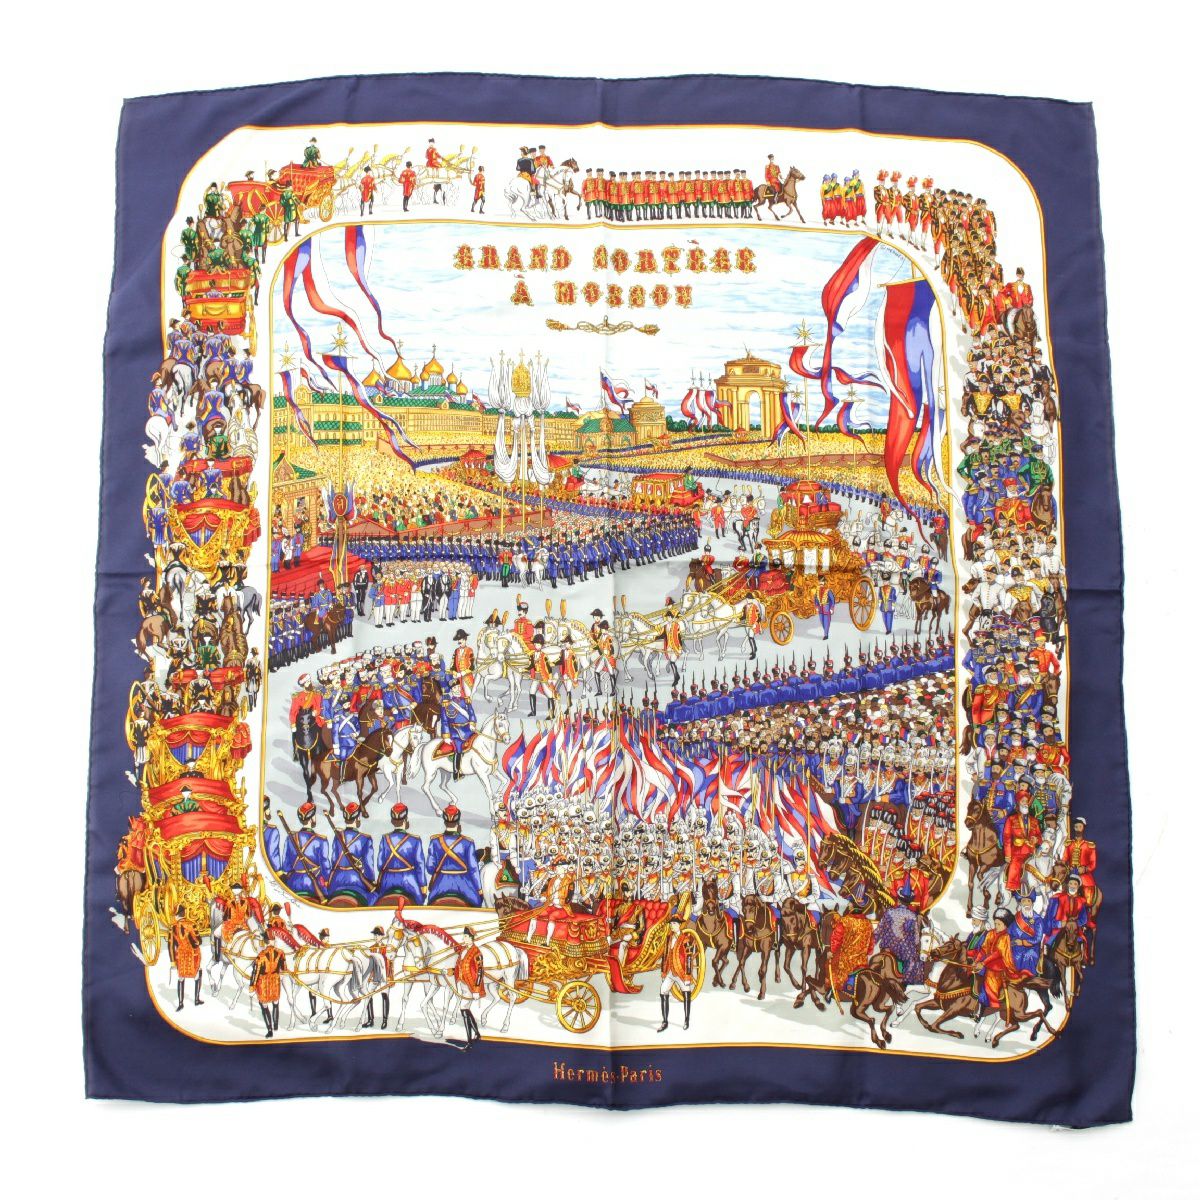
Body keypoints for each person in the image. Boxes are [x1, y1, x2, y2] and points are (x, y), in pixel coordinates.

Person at [657, 908, 697, 1032]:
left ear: (679, 925)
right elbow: (665, 955)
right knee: (663, 990)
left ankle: (686, 1020)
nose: (672, 925)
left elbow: (689, 957)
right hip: (670, 971)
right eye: (671, 923)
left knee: (686, 992)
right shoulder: (668, 938)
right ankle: (665, 1022)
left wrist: (688, 976)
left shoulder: (686, 938)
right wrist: (663, 972)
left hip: (681, 972)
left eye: (674, 923)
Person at [249, 931, 288, 1038]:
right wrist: (279, 975)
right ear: (273, 941)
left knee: (264, 1006)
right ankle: (276, 1025)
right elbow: (284, 968)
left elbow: (255, 972)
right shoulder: (281, 953)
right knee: (276, 1002)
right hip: (275, 981)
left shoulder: (261, 956)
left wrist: (252, 986)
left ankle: (270, 1030)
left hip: (263, 983)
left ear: (265, 941)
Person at [169, 904, 204, 1011]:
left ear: (177, 915)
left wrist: (172, 962)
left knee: (181, 978)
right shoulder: (191, 924)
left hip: (180, 955)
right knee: (197, 974)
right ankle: (196, 1000)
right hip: (193, 955)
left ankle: (180, 1004)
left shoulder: (173, 927)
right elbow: (199, 941)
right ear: (184, 914)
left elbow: (171, 945)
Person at [454, 926, 485, 1046]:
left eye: (466, 936)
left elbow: (480, 971)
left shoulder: (477, 952)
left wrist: (476, 990)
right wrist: (451, 972)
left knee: (463, 1008)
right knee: (465, 1009)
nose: (464, 939)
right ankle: (476, 1033)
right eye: (464, 936)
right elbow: (459, 966)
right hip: (462, 984)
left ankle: (469, 1041)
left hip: (471, 986)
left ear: (471, 938)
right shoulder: (463, 951)